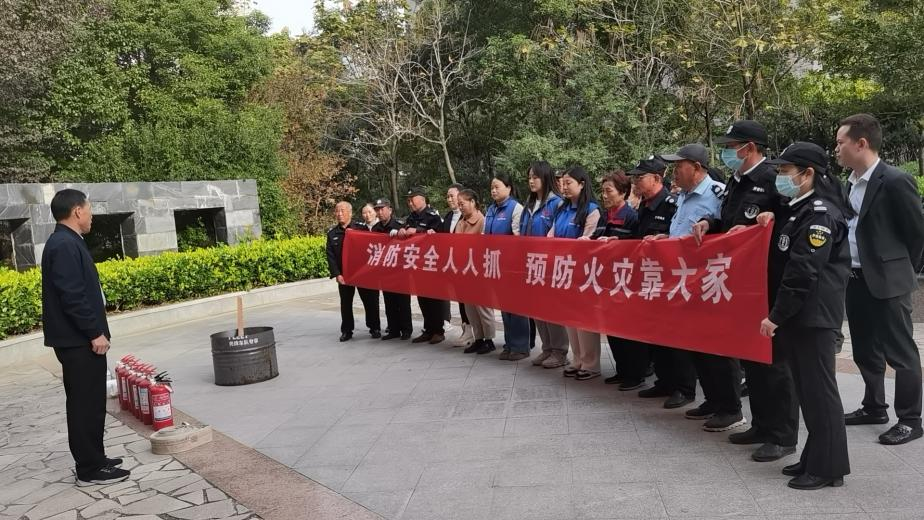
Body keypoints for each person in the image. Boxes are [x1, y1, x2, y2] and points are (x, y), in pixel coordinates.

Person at [692, 122, 798, 452]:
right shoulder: (736, 182)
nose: (727, 152)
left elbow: (793, 221)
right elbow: (732, 222)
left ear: (748, 147)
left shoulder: (773, 178)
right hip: (740, 284)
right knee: (752, 357)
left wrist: (770, 221)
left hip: (768, 281)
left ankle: (782, 436)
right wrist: (710, 223)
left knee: (775, 362)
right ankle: (761, 425)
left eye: (731, 146)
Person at [758, 141, 852, 490]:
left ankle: (828, 468)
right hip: (801, 317)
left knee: (819, 393)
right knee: (808, 391)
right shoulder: (799, 209)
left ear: (807, 173)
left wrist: (776, 315)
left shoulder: (820, 215)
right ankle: (814, 456)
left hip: (813, 317)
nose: (780, 177)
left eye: (785, 171)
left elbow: (803, 272)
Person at [837, 113, 924, 445]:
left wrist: (899, 269)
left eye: (841, 143)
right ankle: (874, 406)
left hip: (889, 281)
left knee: (900, 352)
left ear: (861, 143)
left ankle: (911, 420)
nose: (836, 149)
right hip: (855, 278)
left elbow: (916, 234)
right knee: (864, 349)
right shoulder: (850, 182)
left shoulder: (895, 180)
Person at [42, 189, 131, 486]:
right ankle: (90, 468)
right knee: (84, 404)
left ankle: (96, 458)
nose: (92, 215)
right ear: (77, 211)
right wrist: (94, 332)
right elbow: (72, 296)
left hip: (79, 339)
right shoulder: (63, 245)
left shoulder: (67, 241)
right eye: (89, 209)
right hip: (78, 340)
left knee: (91, 401)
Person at [623, 157, 686, 398]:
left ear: (657, 179)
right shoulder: (644, 205)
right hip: (649, 279)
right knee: (655, 332)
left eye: (640, 177)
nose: (636, 182)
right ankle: (664, 381)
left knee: (674, 336)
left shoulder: (671, 204)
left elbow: (678, 239)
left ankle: (682, 387)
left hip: (670, 279)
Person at [549, 166, 603, 379]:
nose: (564, 187)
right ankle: (577, 358)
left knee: (585, 318)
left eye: (568, 183)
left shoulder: (591, 210)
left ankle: (591, 363)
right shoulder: (562, 209)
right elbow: (551, 236)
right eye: (562, 183)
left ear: (581, 184)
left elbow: (589, 241)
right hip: (563, 270)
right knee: (569, 317)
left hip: (583, 272)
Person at [592, 170, 639, 387]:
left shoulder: (631, 216)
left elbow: (636, 248)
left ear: (623, 192)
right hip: (606, 281)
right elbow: (596, 239)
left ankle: (634, 374)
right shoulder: (605, 216)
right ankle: (621, 370)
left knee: (627, 330)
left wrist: (615, 245)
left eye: (609, 191)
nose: (604, 195)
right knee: (612, 329)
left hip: (625, 281)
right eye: (602, 191)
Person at [521, 161, 570, 369]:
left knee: (552, 309)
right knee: (537, 308)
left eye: (535, 177)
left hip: (550, 265)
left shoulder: (557, 204)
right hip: (531, 265)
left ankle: (560, 351)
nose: (531, 181)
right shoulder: (529, 204)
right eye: (529, 177)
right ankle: (547, 348)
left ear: (545, 178)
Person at [484, 173, 530, 360]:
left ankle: (521, 346)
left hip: (512, 266)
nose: (493, 191)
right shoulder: (491, 209)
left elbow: (519, 239)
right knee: (504, 307)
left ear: (509, 188)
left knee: (516, 307)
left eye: (497, 187)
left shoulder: (516, 208)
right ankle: (509, 344)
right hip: (496, 266)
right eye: (492, 188)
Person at [398, 187, 450, 345]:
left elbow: (439, 235)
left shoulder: (432, 216)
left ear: (422, 199)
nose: (410, 203)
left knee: (434, 298)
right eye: (408, 200)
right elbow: (406, 231)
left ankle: (438, 330)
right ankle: (428, 329)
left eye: (412, 199)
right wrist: (402, 231)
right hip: (416, 262)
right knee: (422, 298)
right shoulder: (411, 217)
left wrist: (418, 231)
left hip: (431, 263)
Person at [326, 201, 382, 342]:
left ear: (350, 213)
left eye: (342, 211)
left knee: (370, 301)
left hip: (362, 273)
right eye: (337, 211)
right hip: (344, 275)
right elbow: (331, 256)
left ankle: (374, 327)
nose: (339, 214)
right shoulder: (332, 233)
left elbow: (372, 248)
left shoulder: (361, 228)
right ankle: (347, 330)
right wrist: (337, 274)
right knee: (346, 304)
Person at [454, 189, 498, 355]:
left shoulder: (482, 220)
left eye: (462, 204)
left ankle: (489, 339)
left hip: (479, 270)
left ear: (473, 202)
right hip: (465, 270)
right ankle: (478, 338)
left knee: (483, 307)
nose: (460, 207)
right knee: (470, 307)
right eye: (459, 204)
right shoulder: (461, 222)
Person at [372, 198, 413, 340]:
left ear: (390, 210)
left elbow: (410, 244)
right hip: (385, 271)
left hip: (400, 270)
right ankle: (393, 329)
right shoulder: (375, 229)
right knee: (389, 302)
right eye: (377, 209)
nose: (380, 212)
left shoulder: (400, 225)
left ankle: (406, 330)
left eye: (382, 209)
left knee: (403, 302)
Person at [441, 183, 473, 348]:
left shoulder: (468, 216)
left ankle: (477, 332)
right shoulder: (448, 217)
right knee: (461, 300)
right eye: (447, 196)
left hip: (468, 265)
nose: (449, 199)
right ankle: (466, 330)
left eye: (452, 196)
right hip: (453, 265)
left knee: (471, 300)